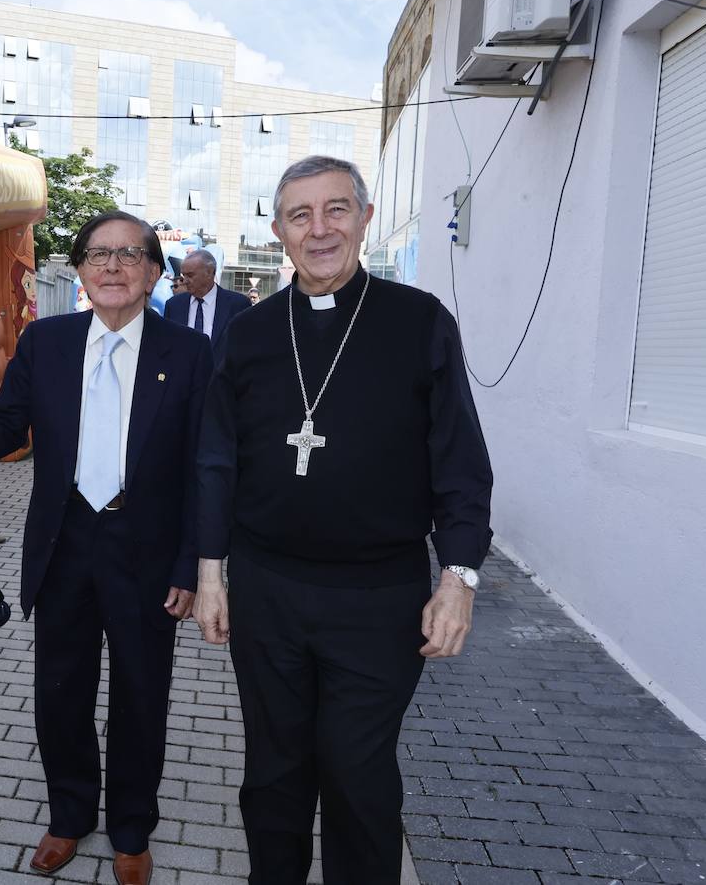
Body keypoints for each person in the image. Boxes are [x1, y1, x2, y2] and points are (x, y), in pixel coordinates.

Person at [193, 156, 493, 884]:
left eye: (336, 210)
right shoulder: (249, 332)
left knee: (357, 771)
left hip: (378, 596)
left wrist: (459, 577)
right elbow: (216, 458)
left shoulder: (419, 322)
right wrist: (210, 571)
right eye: (301, 215)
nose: (319, 228)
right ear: (278, 232)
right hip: (267, 587)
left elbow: (461, 461)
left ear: (363, 218)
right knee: (273, 771)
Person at [0, 211, 211, 885]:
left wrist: (192, 565)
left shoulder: (187, 354)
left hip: (148, 551)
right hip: (64, 541)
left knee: (141, 696)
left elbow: (203, 465)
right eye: (97, 254)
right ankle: (70, 816)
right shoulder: (46, 342)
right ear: (78, 271)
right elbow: (6, 426)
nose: (111, 266)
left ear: (154, 272)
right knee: (61, 694)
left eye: (129, 254)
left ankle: (132, 830)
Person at [164, 249, 251, 349]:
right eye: (184, 275)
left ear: (209, 273)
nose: (185, 281)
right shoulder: (174, 306)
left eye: (190, 275)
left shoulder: (238, 305)